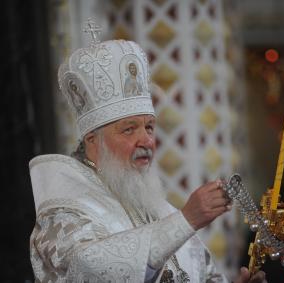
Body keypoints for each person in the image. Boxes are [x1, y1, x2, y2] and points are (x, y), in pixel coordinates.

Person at [29, 38, 266, 283]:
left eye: (150, 128)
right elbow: (88, 268)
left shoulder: (160, 209)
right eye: (129, 129)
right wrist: (186, 220)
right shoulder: (64, 210)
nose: (146, 141)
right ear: (93, 139)